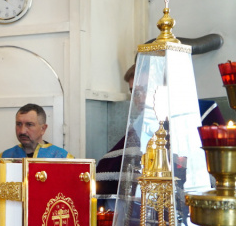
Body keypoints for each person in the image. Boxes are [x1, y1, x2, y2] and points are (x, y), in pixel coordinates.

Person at [96, 64, 224, 195]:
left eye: (146, 89)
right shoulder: (141, 123)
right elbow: (109, 166)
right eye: (135, 92)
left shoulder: (201, 113)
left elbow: (223, 165)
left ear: (165, 87)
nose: (140, 98)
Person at [0, 103, 73, 176]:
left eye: (29, 125)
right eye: (19, 124)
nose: (22, 131)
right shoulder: (3, 158)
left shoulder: (63, 158)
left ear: (43, 129)